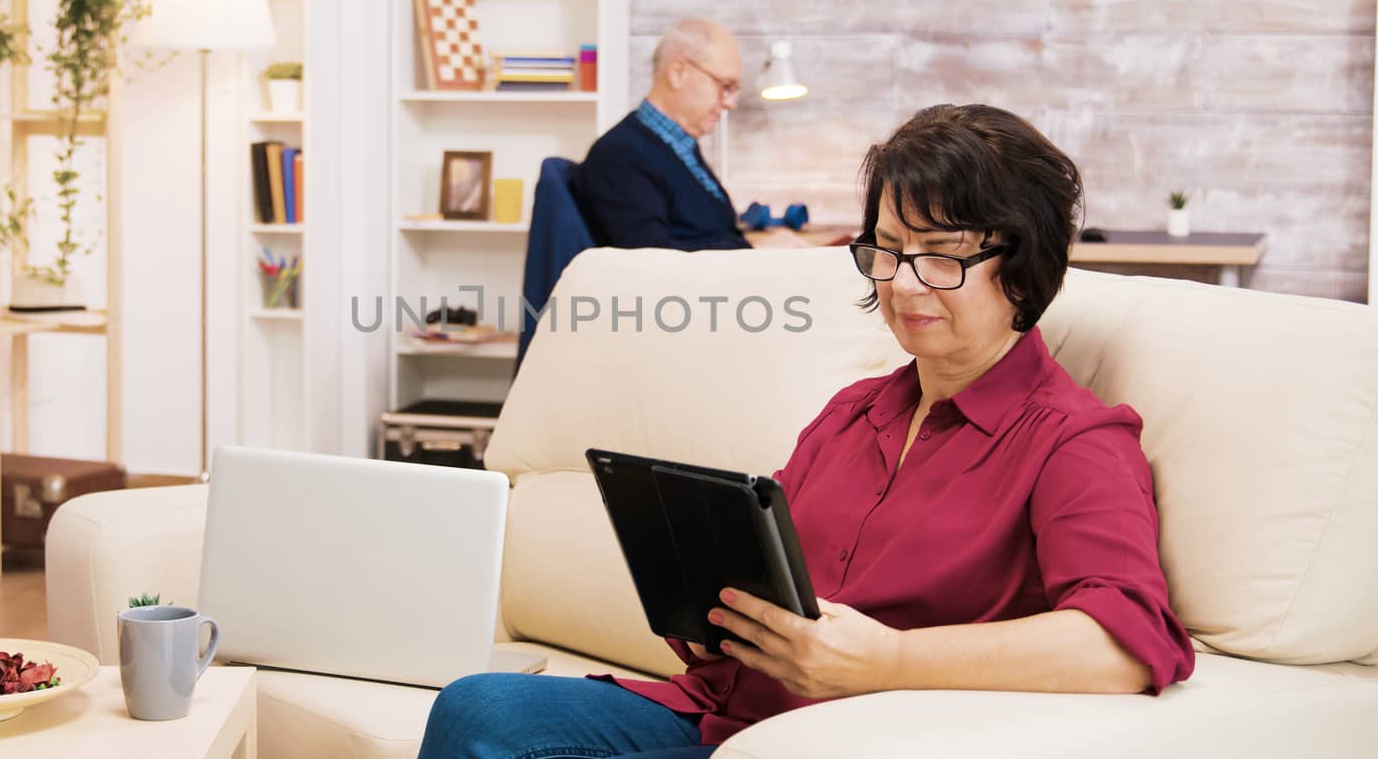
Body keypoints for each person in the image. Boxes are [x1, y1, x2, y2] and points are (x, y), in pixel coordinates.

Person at [417, 104, 1196, 759]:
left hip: (844, 736)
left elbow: (1124, 645)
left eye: (941, 255)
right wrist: (716, 616)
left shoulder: (1074, 440)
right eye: (887, 251)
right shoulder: (852, 412)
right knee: (479, 704)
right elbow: (773, 577)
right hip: (716, 718)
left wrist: (888, 660)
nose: (902, 282)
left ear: (1022, 268)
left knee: (485, 719)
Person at [573, 18, 751, 251]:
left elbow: (708, 234)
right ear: (678, 73)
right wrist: (753, 254)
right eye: (725, 86)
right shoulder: (620, 155)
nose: (731, 103)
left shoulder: (679, 146)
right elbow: (653, 262)